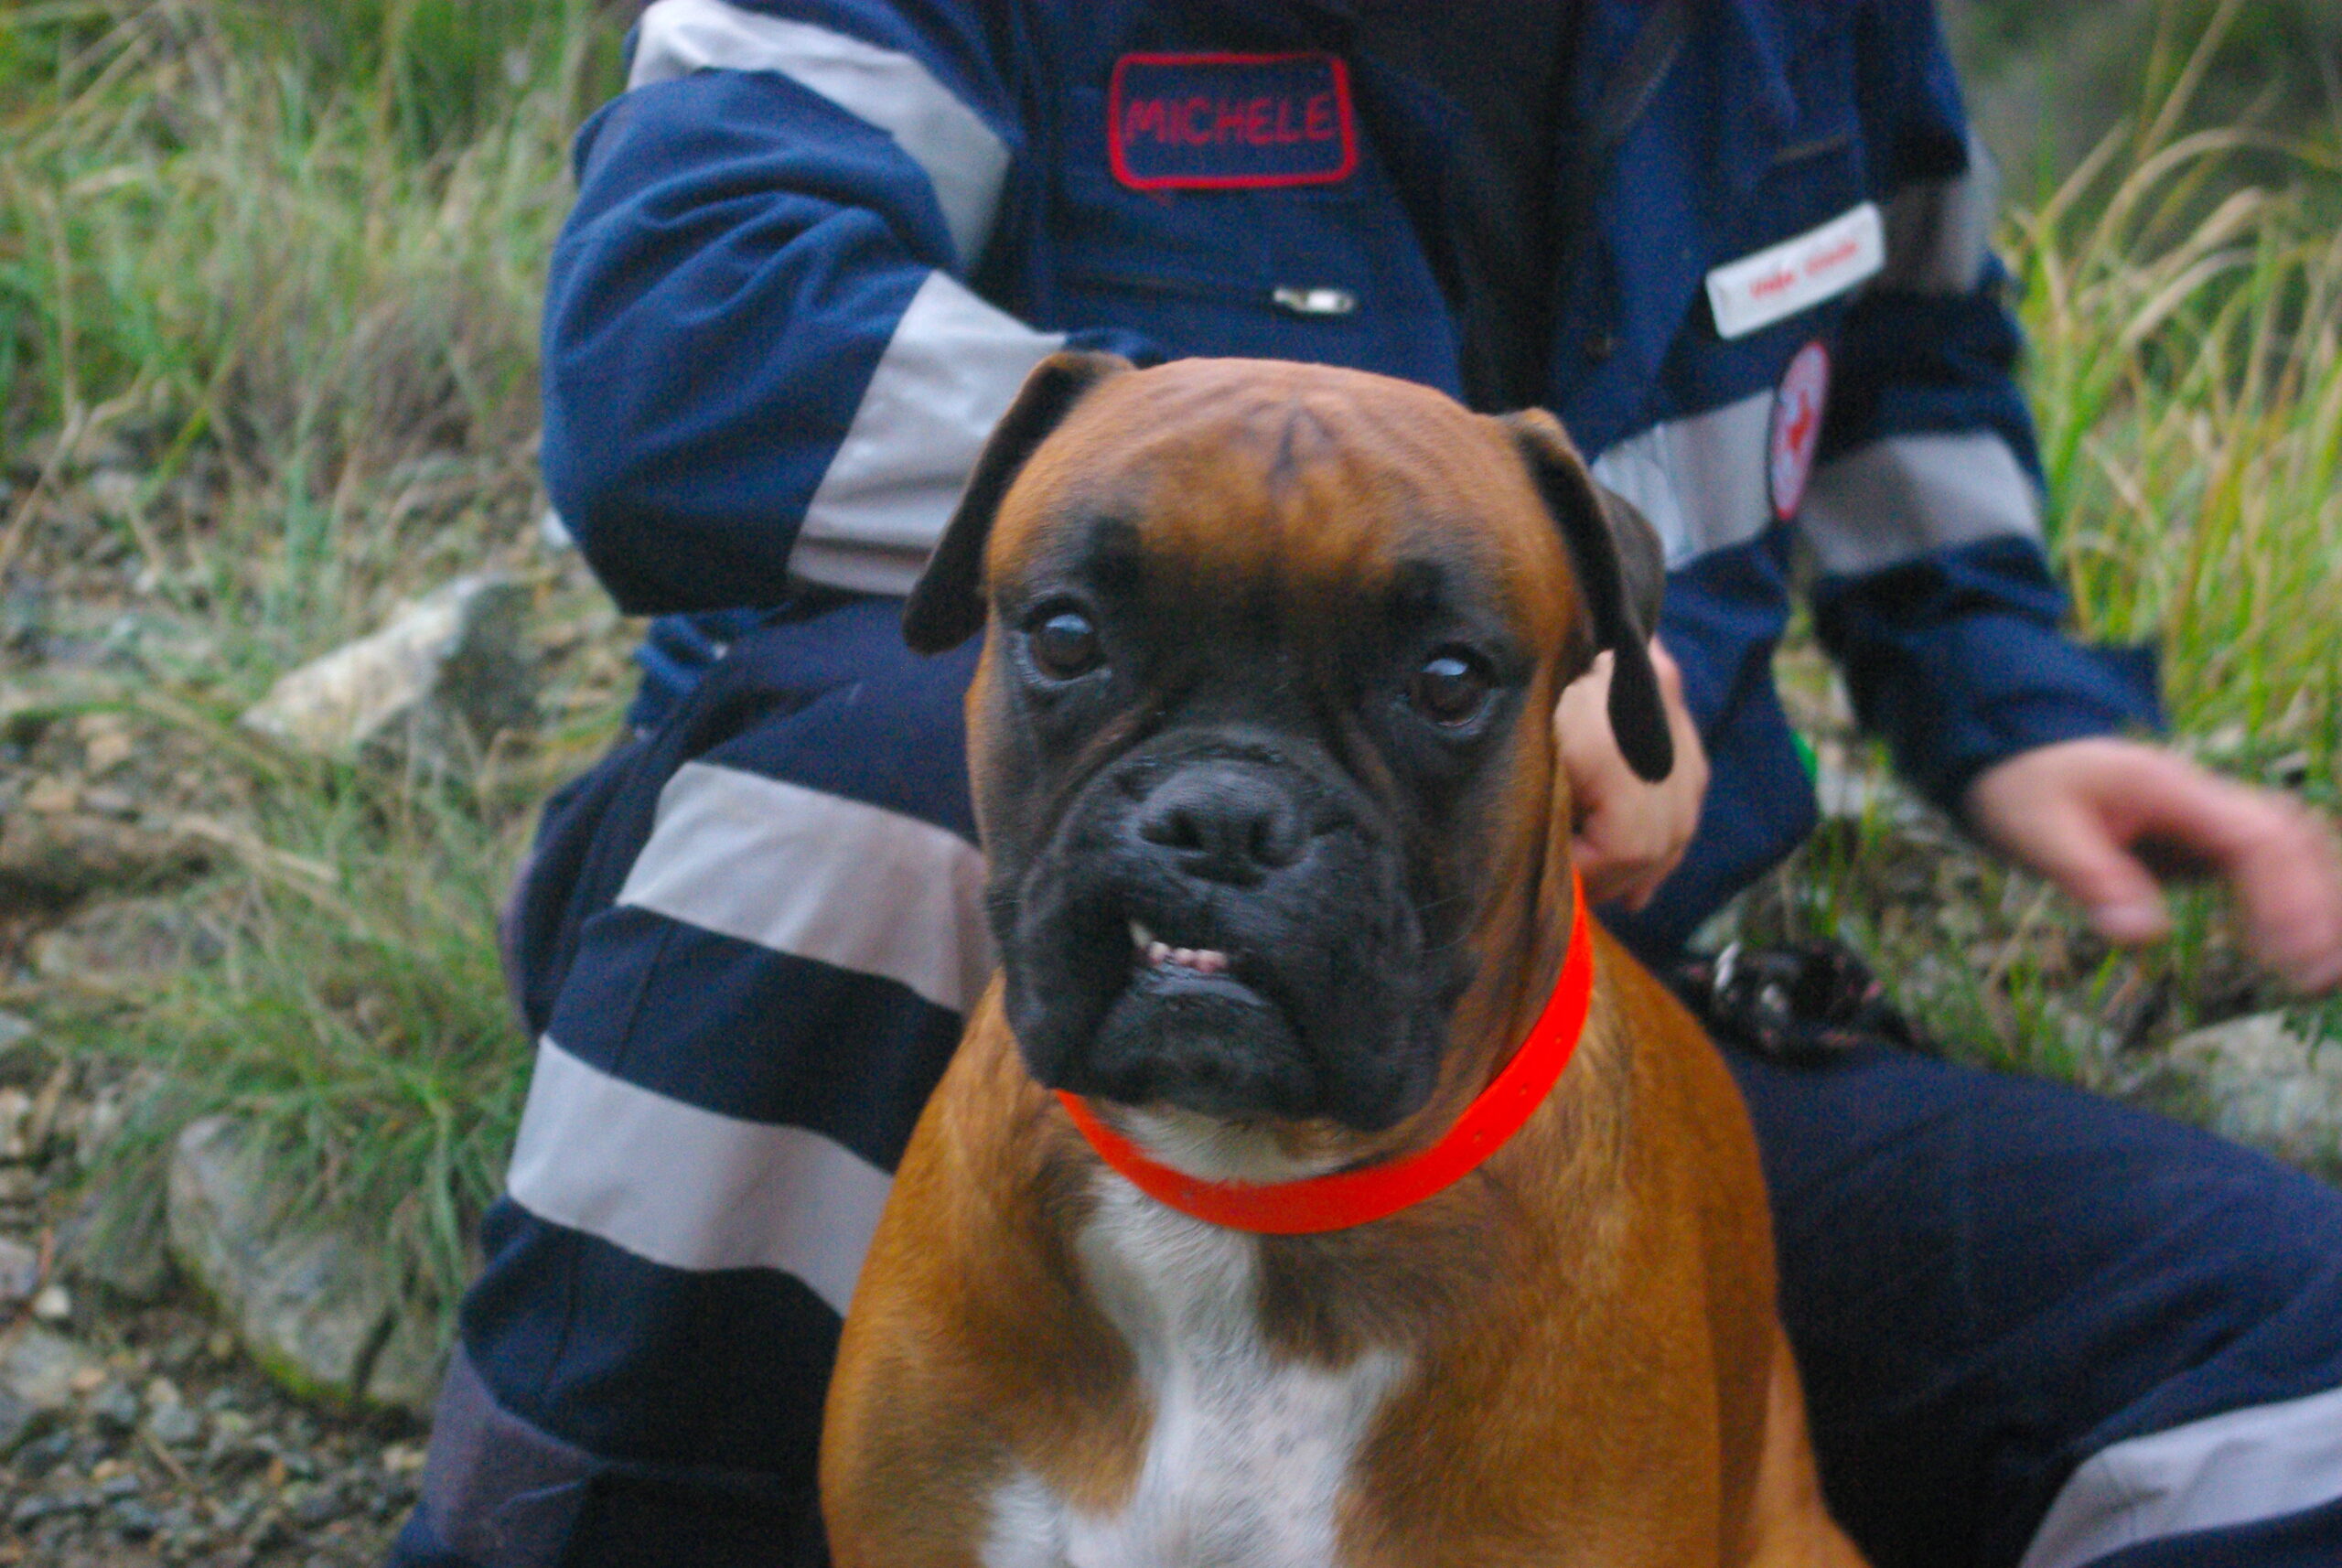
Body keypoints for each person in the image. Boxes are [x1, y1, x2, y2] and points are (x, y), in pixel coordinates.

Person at [391, 2, 2342, 1564]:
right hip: (936, 989)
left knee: (2290, 1363)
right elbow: (675, 326)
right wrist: (1331, 513)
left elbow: (1903, 343)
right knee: (861, 795)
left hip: (1566, 1018)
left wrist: (2010, 699)